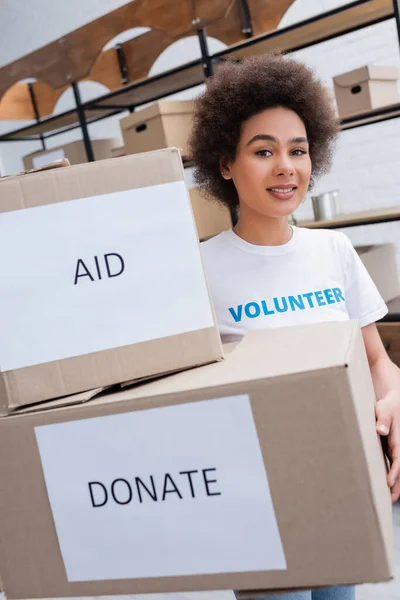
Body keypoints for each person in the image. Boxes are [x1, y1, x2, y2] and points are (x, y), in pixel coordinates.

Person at [188, 53, 400, 600]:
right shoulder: (199, 272)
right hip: (256, 496)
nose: (286, 166)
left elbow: (377, 360)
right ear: (226, 164)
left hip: (341, 480)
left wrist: (394, 394)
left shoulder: (335, 249)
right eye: (263, 151)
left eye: (298, 150)